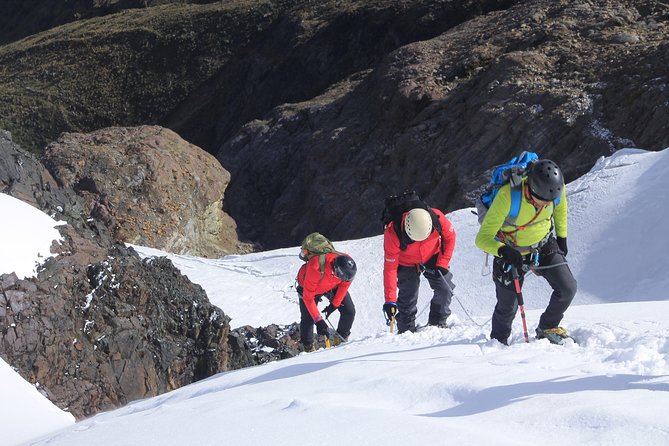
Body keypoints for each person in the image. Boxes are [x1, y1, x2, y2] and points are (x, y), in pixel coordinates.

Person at [475, 159, 577, 345]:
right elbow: (482, 238)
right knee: (508, 307)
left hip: (543, 244)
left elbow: (560, 209)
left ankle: (548, 327)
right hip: (510, 250)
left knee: (567, 288)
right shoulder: (509, 196)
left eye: (549, 202)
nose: (546, 205)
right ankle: (498, 341)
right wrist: (503, 250)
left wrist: (562, 238)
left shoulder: (555, 191)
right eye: (541, 202)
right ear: (531, 189)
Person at [382, 206, 456, 333]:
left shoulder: (436, 217)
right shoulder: (392, 232)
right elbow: (390, 268)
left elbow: (450, 236)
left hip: (432, 255)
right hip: (406, 262)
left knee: (445, 289)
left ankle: (438, 323)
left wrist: (443, 263)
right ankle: (406, 331)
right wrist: (390, 300)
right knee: (407, 299)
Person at [296, 253, 357, 351]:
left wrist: (334, 305)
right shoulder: (316, 267)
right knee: (308, 318)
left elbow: (344, 285)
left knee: (349, 312)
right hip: (309, 287)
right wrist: (318, 320)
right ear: (335, 268)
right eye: (342, 277)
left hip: (331, 284)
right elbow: (308, 298)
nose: (344, 280)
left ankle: (340, 342)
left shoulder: (347, 270)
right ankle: (307, 347)